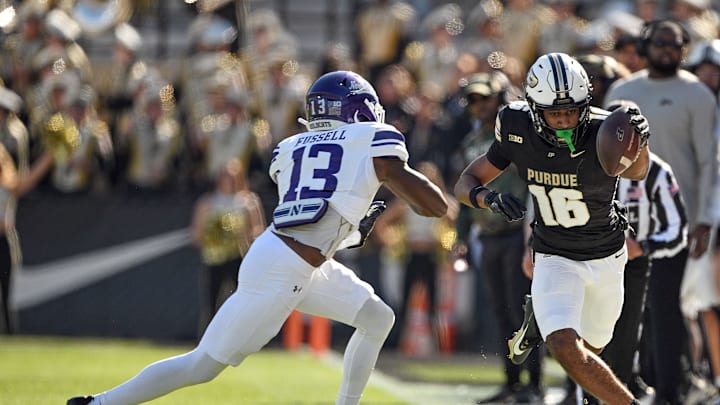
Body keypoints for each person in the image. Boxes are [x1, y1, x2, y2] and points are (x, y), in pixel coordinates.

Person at [67, 70, 448, 405]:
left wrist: (354, 230)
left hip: (291, 258)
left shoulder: (291, 148)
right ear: (360, 109)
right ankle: (99, 404)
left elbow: (312, 222)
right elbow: (434, 207)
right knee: (202, 365)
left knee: (378, 318)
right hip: (284, 271)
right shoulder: (372, 139)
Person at [454, 52, 650, 404]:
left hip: (606, 255)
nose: (563, 120)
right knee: (563, 344)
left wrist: (641, 144)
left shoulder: (604, 130)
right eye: (554, 112)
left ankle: (541, 323)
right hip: (554, 254)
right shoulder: (517, 127)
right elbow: (466, 181)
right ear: (533, 107)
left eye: (571, 111)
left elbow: (637, 172)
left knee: (590, 353)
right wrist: (487, 198)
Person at [604, 20, 718, 403]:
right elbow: (604, 161)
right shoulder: (622, 91)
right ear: (646, 44)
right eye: (660, 42)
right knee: (624, 308)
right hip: (625, 220)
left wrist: (704, 220)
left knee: (666, 306)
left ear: (685, 49)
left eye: (675, 43)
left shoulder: (698, 95)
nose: (667, 49)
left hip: (675, 223)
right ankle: (626, 384)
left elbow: (708, 162)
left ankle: (669, 390)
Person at [449, 72, 543, 402]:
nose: (478, 106)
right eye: (473, 100)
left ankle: (534, 386)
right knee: (501, 312)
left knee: (524, 312)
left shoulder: (517, 137)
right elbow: (463, 197)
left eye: (484, 99)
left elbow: (536, 186)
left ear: (501, 98)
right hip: (486, 236)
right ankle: (512, 383)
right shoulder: (468, 145)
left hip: (518, 234)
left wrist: (534, 234)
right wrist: (459, 238)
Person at [191, 162, 266, 334]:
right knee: (211, 302)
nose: (227, 180)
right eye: (224, 176)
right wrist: (215, 236)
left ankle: (242, 336)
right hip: (214, 258)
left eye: (231, 177)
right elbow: (197, 234)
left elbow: (258, 233)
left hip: (238, 257)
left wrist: (240, 235)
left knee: (242, 300)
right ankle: (207, 338)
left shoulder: (248, 202)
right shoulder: (207, 202)